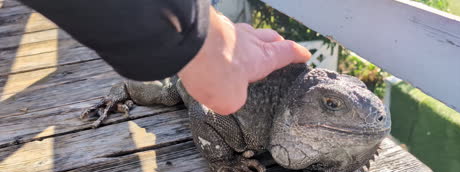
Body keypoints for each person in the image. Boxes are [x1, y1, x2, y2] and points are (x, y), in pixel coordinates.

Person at [19, 0, 311, 115]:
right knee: (170, 92)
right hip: (188, 83)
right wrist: (198, 33)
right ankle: (119, 92)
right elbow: (209, 108)